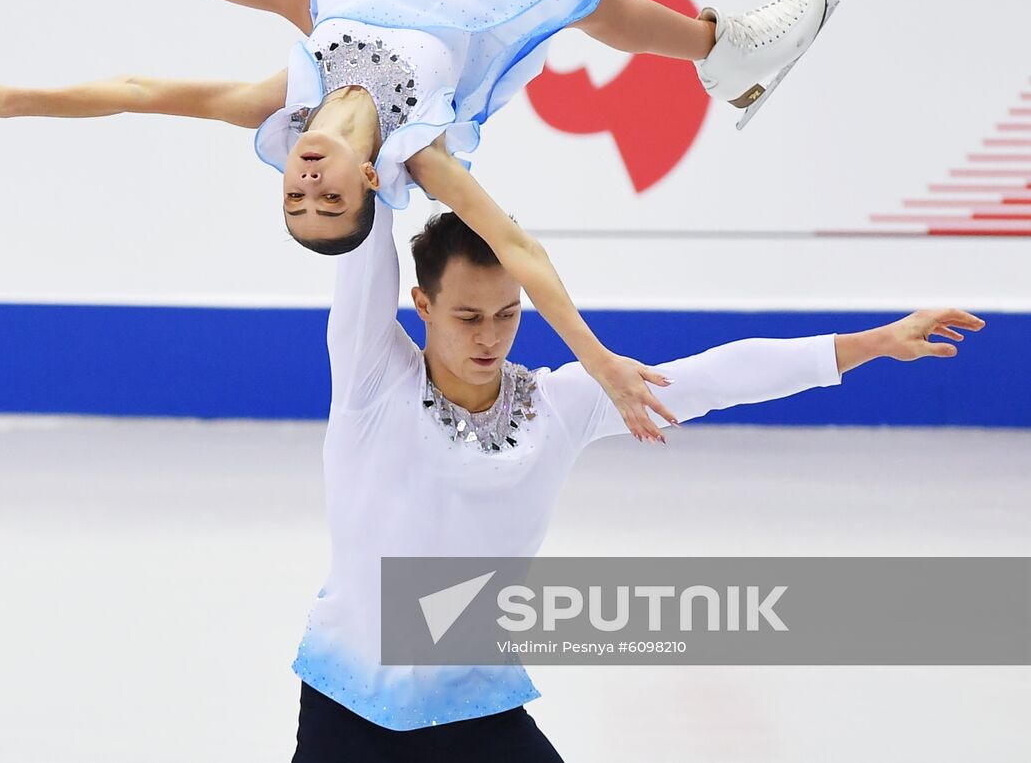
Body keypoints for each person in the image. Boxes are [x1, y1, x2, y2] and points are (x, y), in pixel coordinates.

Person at [0, 0, 840, 442]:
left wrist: (5, 100)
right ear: (371, 181)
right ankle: (725, 51)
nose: (306, 183)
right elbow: (523, 254)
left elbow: (138, 92)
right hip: (459, 11)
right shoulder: (421, 149)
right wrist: (598, 358)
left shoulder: (276, 102)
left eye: (293, 197)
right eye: (329, 201)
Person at [288, 200, 982, 761]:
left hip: (470, 700)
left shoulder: (556, 406)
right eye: (468, 316)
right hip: (349, 705)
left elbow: (715, 378)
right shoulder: (373, 380)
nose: (489, 338)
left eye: (507, 314)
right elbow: (358, 231)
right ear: (422, 304)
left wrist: (873, 344)